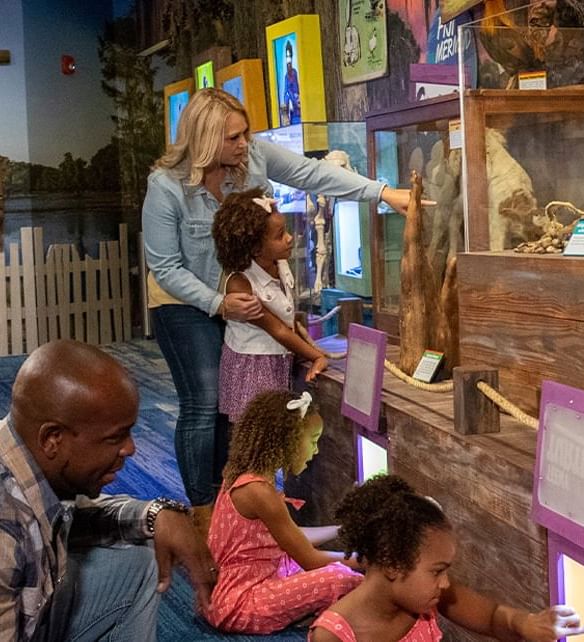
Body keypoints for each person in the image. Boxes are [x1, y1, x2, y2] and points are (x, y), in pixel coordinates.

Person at [142, 88, 414, 532]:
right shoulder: (166, 187)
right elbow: (166, 266)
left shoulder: (253, 158)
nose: (244, 143)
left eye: (246, 133)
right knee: (206, 399)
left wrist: (382, 192)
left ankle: (241, 499)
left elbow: (312, 174)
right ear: (206, 139)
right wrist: (217, 303)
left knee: (244, 402)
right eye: (233, 137)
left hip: (246, 298)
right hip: (186, 302)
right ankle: (203, 509)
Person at [0, 340, 215, 642]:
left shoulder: (26, 455)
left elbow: (74, 512)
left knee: (138, 560)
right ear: (52, 439)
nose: (130, 448)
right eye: (115, 438)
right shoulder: (5, 531)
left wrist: (155, 514)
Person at [310, 475, 584, 642]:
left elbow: (493, 617)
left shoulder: (427, 596)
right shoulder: (332, 635)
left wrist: (526, 623)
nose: (445, 583)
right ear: (394, 563)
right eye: (437, 571)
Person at [204, 390, 363, 634]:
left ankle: (315, 611)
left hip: (249, 578)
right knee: (342, 577)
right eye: (313, 441)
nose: (316, 451)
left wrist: (340, 529)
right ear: (288, 441)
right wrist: (367, 561)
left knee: (330, 567)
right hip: (242, 599)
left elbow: (291, 537)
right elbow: (309, 559)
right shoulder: (260, 492)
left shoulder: (244, 475)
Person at [211, 188, 328, 423]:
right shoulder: (241, 284)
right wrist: (317, 356)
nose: (289, 238)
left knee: (277, 430)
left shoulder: (280, 263)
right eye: (279, 235)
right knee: (256, 432)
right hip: (253, 368)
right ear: (255, 248)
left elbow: (285, 316)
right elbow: (277, 329)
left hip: (277, 361)